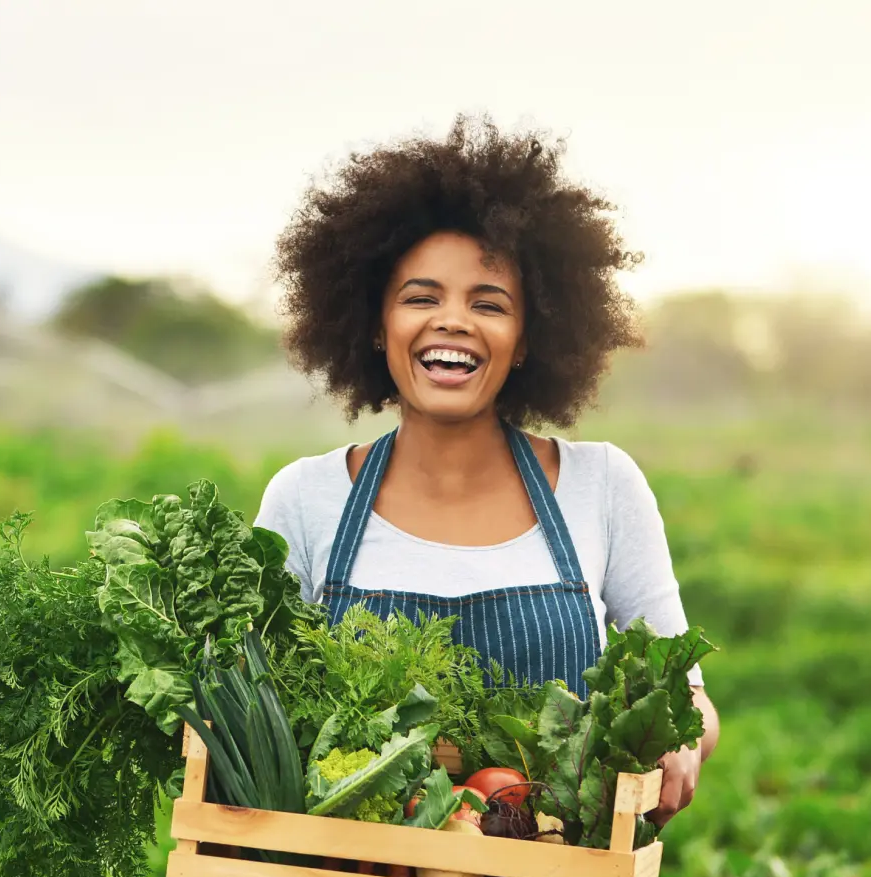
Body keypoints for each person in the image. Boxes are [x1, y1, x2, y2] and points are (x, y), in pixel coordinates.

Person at [255, 116, 719, 827]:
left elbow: (686, 694)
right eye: (421, 297)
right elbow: (249, 712)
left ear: (529, 338)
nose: (453, 321)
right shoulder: (306, 499)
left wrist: (681, 744)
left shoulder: (602, 486)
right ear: (375, 325)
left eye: (488, 304)